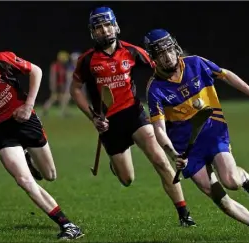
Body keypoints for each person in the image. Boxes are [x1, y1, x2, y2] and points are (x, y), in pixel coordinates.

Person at [144, 29, 249, 239]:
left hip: (212, 132)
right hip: (186, 149)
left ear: (175, 47)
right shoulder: (155, 89)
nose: (167, 56)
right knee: (219, 199)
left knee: (232, 181)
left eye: (169, 49)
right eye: (160, 53)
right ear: (153, 58)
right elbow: (160, 130)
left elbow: (225, 75)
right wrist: (173, 155)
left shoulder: (196, 63)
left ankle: (243, 176)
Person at [70, 7, 196, 226]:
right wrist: (93, 117)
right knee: (127, 179)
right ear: (93, 32)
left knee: (161, 160)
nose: (104, 30)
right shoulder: (87, 60)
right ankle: (116, 164)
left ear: (116, 26)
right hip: (109, 124)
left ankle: (184, 215)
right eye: (98, 27)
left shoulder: (131, 51)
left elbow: (161, 69)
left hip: (134, 114)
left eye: (107, 25)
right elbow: (75, 89)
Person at [0, 36, 84, 240]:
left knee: (50, 175)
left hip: (27, 121)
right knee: (23, 180)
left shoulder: (0, 59)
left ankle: (29, 157)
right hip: (2, 134)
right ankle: (68, 225)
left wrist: (28, 106)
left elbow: (36, 71)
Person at [42, 50, 69, 117]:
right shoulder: (55, 65)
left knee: (62, 99)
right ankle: (44, 111)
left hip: (60, 86)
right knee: (53, 99)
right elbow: (53, 76)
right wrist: (53, 86)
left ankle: (63, 112)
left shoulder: (62, 66)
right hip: (57, 86)